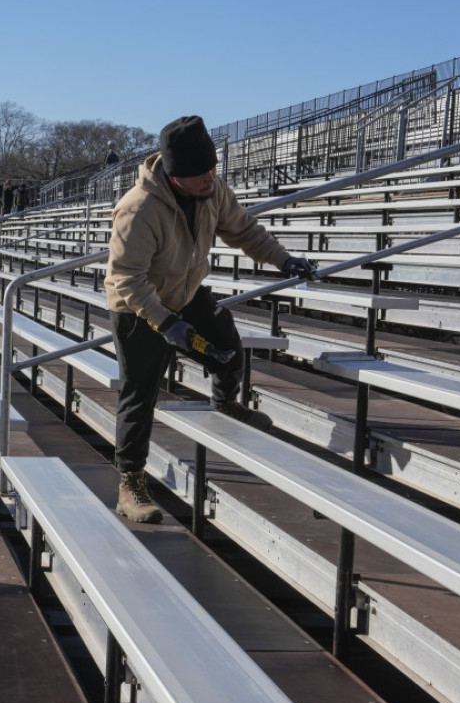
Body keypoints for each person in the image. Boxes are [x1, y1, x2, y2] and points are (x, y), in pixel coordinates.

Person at [105, 115, 315, 524]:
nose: (210, 179)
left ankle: (226, 402)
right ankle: (130, 482)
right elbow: (125, 277)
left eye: (213, 170)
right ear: (174, 174)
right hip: (137, 309)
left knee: (228, 349)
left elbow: (245, 231)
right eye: (200, 174)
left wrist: (284, 259)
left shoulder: (213, 190)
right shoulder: (138, 208)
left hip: (185, 294)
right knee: (139, 394)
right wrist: (165, 324)